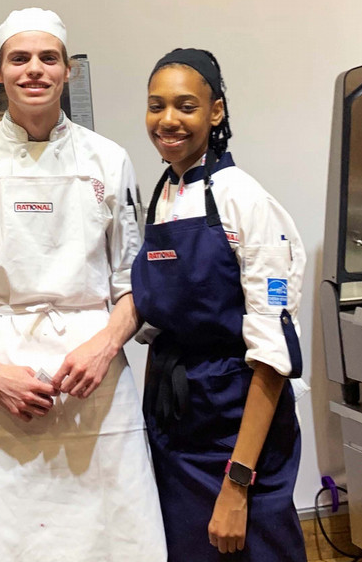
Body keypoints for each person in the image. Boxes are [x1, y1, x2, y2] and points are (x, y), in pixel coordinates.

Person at [0, 8, 167, 562]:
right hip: (0, 389)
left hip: (97, 387)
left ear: (68, 71)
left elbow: (134, 282)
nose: (33, 70)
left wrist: (105, 345)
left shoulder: (109, 160)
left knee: (118, 540)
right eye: (20, 58)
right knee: (7, 542)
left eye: (48, 58)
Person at [131, 48, 307, 561]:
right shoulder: (163, 196)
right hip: (176, 423)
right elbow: (159, 330)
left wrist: (237, 484)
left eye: (186, 106)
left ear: (216, 111)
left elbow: (272, 355)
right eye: (155, 105)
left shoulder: (244, 200)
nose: (168, 120)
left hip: (237, 428)